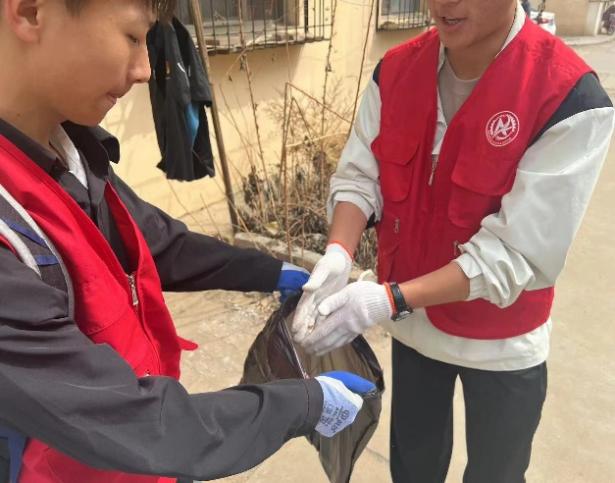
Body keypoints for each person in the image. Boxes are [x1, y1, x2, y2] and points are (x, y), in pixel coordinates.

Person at [0, 1, 376, 482]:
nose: (144, 70)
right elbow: (135, 422)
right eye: (133, 37)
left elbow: (157, 243)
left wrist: (272, 271)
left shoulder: (70, 147)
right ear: (31, 12)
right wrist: (303, 404)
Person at [292, 0, 615, 482]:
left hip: (502, 342)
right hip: (415, 332)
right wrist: (339, 252)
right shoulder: (395, 72)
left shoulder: (568, 96)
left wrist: (388, 299)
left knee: (497, 473)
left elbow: (517, 252)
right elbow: (361, 176)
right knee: (413, 468)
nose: (444, 3)